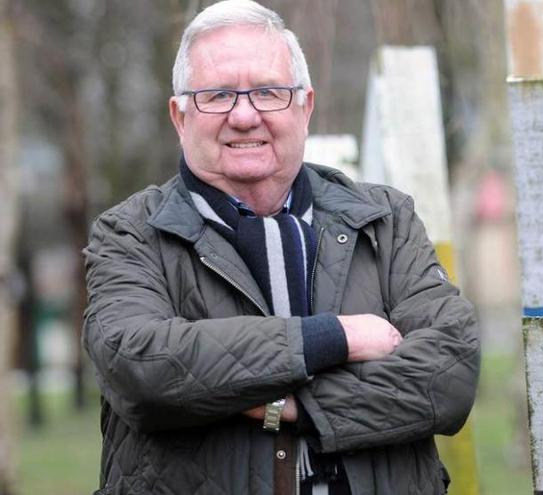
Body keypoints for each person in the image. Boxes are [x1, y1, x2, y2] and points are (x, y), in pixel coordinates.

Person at [82, 1, 480, 493]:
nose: (245, 115)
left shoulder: (385, 219)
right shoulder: (130, 233)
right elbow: (142, 366)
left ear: (305, 106)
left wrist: (287, 407)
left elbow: (450, 372)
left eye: (269, 92)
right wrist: (331, 338)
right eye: (218, 95)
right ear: (179, 115)